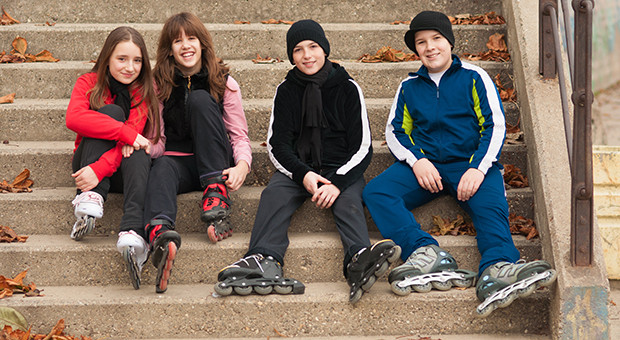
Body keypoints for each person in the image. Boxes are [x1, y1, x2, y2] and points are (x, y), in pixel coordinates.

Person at [362, 11, 556, 317]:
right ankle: (424, 253)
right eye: (421, 42)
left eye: (436, 39)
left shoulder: (473, 77)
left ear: (449, 42)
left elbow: (494, 126)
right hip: (427, 168)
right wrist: (418, 161)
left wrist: (478, 167)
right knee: (376, 192)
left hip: (469, 165)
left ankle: (498, 267)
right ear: (416, 49)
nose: (430, 47)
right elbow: (396, 131)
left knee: (490, 204)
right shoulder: (409, 86)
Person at [214, 20, 400, 304]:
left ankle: (359, 258)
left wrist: (337, 182)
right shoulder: (287, 90)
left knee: (350, 202)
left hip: (341, 169)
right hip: (299, 168)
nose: (307, 55)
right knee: (274, 194)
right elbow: (278, 145)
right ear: (291, 56)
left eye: (313, 47)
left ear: (324, 49)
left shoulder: (348, 87)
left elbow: (362, 147)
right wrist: (303, 175)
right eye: (298, 50)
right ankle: (264, 257)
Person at [144, 12, 252, 293]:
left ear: (202, 43)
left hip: (216, 163)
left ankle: (216, 194)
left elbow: (238, 134)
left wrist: (242, 165)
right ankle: (160, 234)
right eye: (177, 41)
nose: (185, 45)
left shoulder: (224, 81)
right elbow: (159, 139)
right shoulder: (159, 85)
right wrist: (144, 146)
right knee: (162, 167)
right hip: (179, 163)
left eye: (191, 38)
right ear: (169, 50)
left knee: (202, 99)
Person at [65, 26, 163, 290]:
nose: (130, 67)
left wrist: (100, 169)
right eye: (122, 59)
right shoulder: (88, 82)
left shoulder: (144, 90)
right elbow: (74, 118)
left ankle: (132, 232)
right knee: (110, 112)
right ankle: (91, 196)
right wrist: (124, 133)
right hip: (86, 161)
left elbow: (135, 143)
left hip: (117, 169)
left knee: (141, 153)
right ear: (107, 57)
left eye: (137, 60)